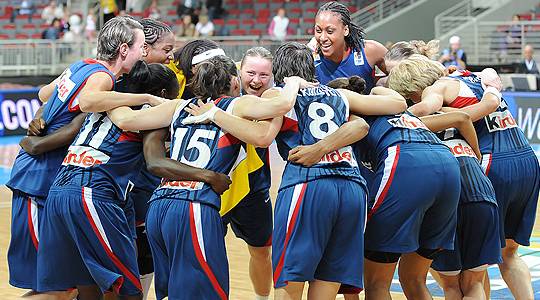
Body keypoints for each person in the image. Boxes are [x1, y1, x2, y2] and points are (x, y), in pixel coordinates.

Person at [183, 42, 408, 300]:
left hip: (309, 182)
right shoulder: (340, 95)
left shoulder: (276, 96)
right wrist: (378, 87)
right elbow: (397, 104)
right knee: (329, 274)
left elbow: (263, 136)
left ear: (278, 72)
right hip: (352, 186)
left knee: (291, 276)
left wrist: (214, 113)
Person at [107, 54, 315, 299]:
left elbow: (125, 119)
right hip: (194, 205)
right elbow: (279, 108)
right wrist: (293, 83)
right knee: (208, 292)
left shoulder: (178, 106)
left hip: (160, 205)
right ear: (233, 82)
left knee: (178, 290)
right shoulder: (235, 105)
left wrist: (109, 91)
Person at [8, 16, 166, 299]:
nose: (143, 52)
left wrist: (42, 117)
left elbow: (45, 92)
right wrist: (147, 98)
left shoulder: (81, 65)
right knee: (56, 290)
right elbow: (88, 101)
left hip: (48, 178)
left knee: (72, 286)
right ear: (123, 50)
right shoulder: (103, 77)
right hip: (40, 178)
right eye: (141, 46)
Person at [388, 55, 540, 300]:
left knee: (459, 279)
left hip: (491, 163)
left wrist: (399, 116)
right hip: (525, 157)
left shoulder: (437, 89)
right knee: (507, 256)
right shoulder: (474, 77)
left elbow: (431, 108)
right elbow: (481, 101)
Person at [120, 18, 175, 300]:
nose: (171, 56)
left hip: (137, 191)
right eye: (166, 49)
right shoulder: (112, 85)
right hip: (123, 191)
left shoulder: (166, 76)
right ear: (143, 50)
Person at [219, 47, 275, 299]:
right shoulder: (220, 93)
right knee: (212, 250)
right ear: (238, 71)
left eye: (264, 75)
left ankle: (262, 297)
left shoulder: (275, 99)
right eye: (251, 72)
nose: (256, 80)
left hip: (254, 189)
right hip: (217, 188)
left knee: (261, 251)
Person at [312, 1, 387, 93]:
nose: (322, 38)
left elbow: (402, 76)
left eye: (330, 31)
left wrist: (382, 82)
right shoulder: (310, 61)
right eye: (318, 31)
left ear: (346, 30)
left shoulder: (369, 51)